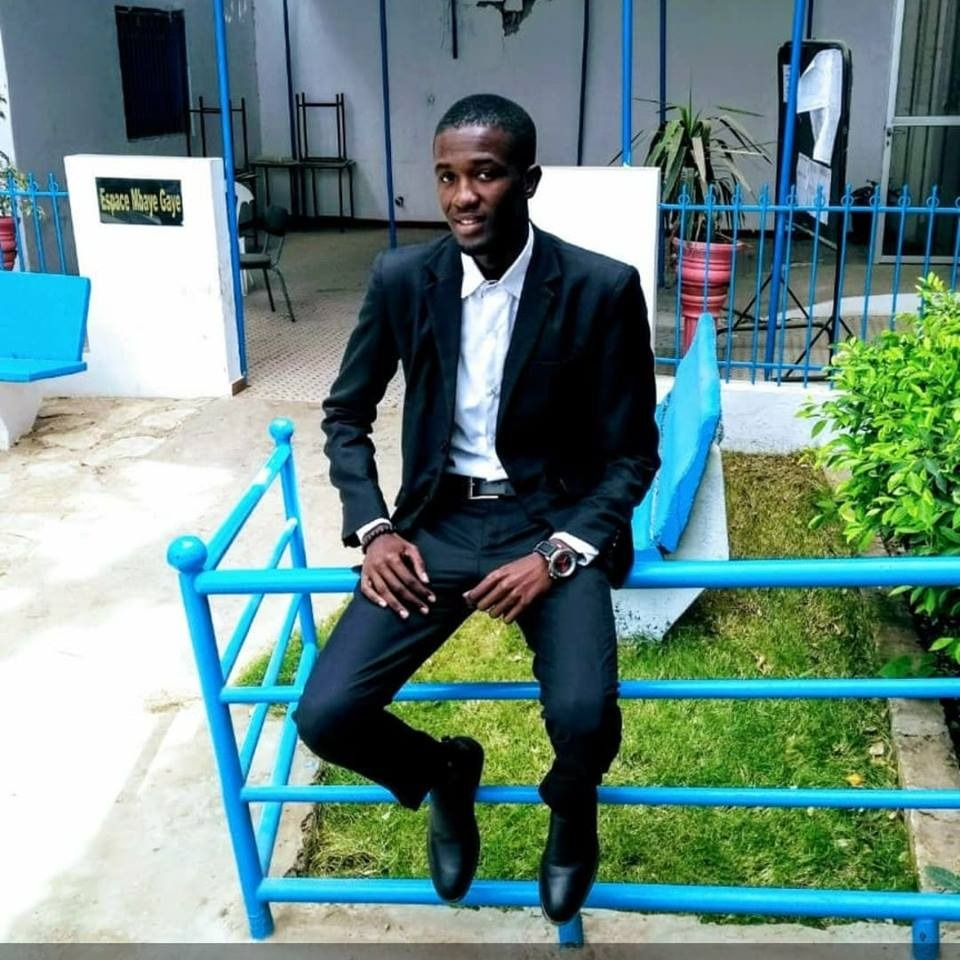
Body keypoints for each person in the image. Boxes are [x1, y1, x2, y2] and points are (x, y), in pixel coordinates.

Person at [294, 93, 659, 924]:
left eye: (485, 175)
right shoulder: (402, 280)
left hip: (549, 525)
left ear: (528, 181)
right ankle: (444, 775)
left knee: (584, 714)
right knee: (328, 714)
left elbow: (633, 454)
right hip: (436, 525)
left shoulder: (600, 288)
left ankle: (572, 807)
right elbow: (346, 413)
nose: (463, 196)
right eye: (447, 177)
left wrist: (558, 554)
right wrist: (374, 527)